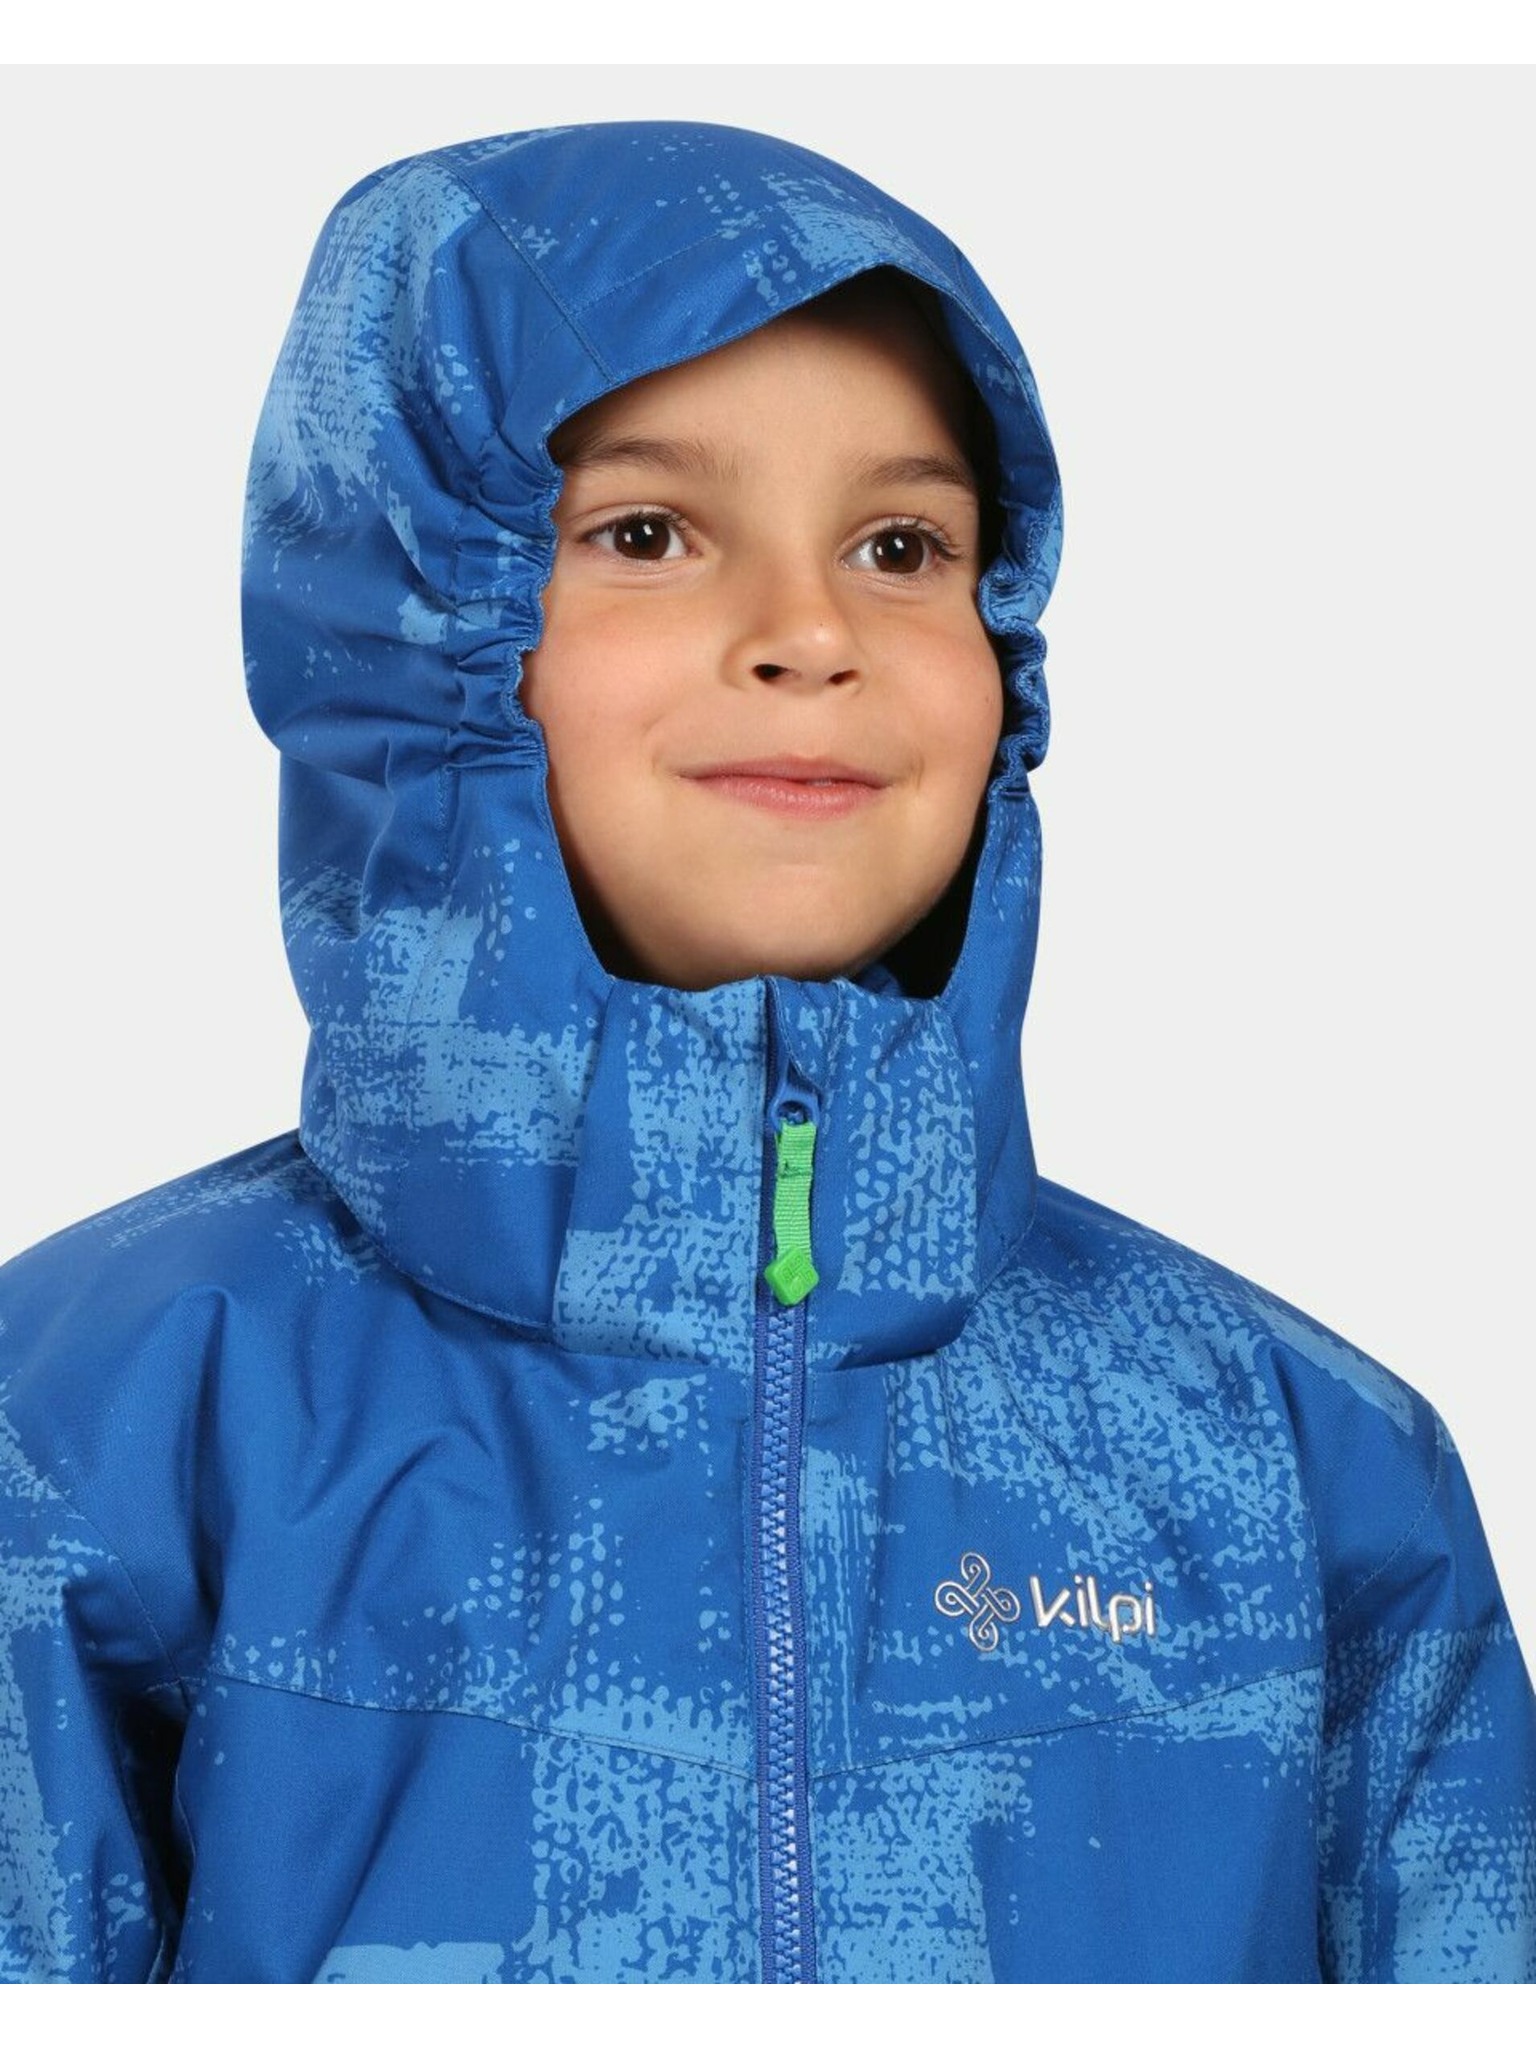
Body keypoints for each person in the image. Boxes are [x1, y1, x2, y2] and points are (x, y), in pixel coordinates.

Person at [0, 118, 1531, 1986]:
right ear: (405, 625)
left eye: (902, 546)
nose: (810, 633)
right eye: (646, 535)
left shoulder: (1298, 1464)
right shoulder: (96, 1425)